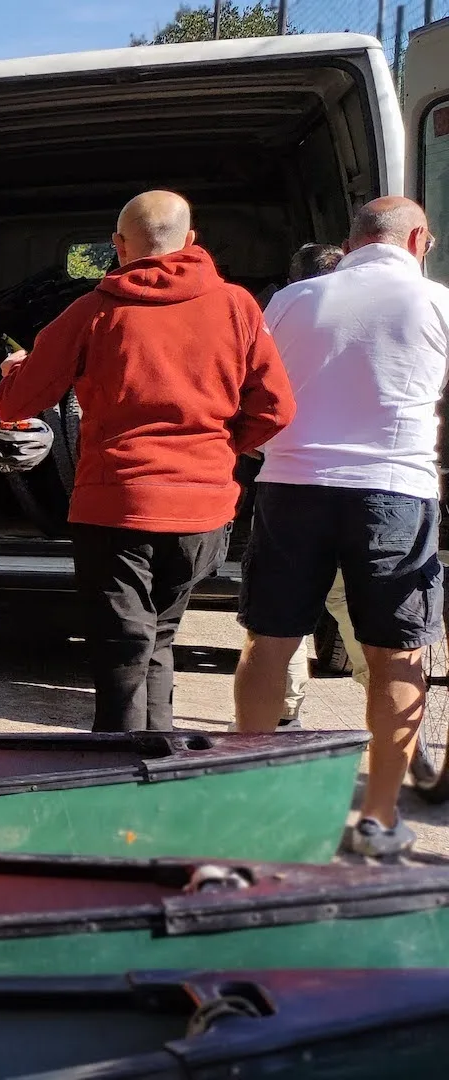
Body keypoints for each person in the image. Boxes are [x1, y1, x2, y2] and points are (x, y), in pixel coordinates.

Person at [0, 190, 295, 733]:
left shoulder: (93, 311)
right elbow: (276, 408)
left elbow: (15, 404)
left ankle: (121, 762)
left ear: (118, 245)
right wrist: (216, 450)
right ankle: (157, 753)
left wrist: (14, 369)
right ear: (191, 240)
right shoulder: (237, 306)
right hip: (202, 512)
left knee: (122, 648)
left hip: (117, 506)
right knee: (157, 635)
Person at [234, 196, 449, 859]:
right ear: (417, 240)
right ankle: (378, 820)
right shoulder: (438, 304)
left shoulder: (292, 300)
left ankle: (252, 803)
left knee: (269, 642)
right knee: (396, 654)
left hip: (292, 484)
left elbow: (250, 390)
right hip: (395, 492)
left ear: (351, 243)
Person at [256, 243, 362, 727]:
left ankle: (285, 715)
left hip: (291, 477)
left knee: (284, 609)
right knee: (349, 599)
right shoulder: (371, 320)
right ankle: (388, 702)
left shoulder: (280, 313)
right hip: (365, 483)